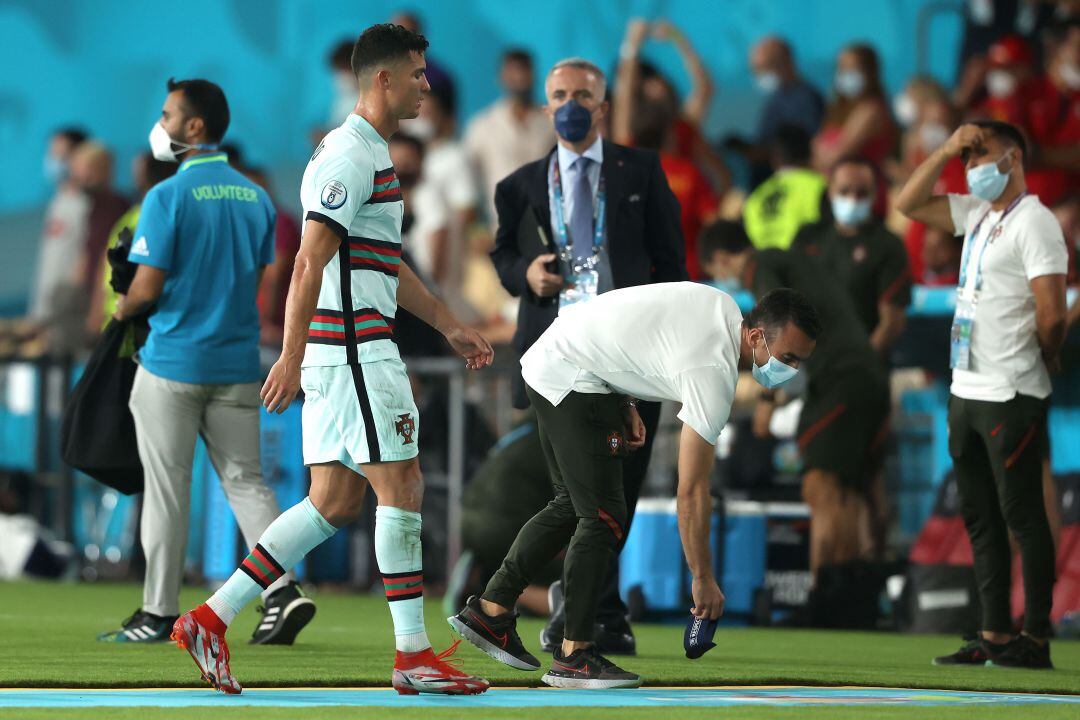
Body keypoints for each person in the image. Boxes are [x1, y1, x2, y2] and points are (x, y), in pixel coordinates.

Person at [172, 24, 493, 696]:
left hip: (344, 350)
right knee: (401, 490)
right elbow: (309, 259)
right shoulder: (351, 154)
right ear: (382, 79)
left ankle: (210, 616)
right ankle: (412, 656)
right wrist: (290, 356)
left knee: (333, 502)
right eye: (416, 74)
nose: (426, 85)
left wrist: (448, 323)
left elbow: (382, 262)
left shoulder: (364, 151)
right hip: (352, 352)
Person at [450, 283, 820, 688]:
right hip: (574, 375)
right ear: (755, 336)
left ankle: (492, 608)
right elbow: (692, 491)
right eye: (787, 358)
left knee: (572, 505)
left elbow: (631, 329)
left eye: (799, 362)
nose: (790, 370)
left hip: (558, 359)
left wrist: (623, 401)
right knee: (603, 517)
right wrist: (702, 577)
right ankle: (574, 653)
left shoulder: (723, 307)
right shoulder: (713, 372)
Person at [98, 78, 307, 648]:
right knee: (248, 483)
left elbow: (145, 288)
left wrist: (123, 306)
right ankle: (281, 590)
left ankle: (157, 612)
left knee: (168, 487)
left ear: (194, 127)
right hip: (238, 361)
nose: (161, 125)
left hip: (172, 361)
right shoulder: (257, 198)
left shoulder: (166, 197)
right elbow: (262, 275)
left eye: (168, 115)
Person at [488, 57, 685, 655]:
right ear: (546, 106)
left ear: (604, 106)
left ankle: (592, 609)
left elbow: (671, 264)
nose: (571, 104)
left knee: (615, 492)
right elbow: (500, 259)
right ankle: (582, 617)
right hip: (559, 361)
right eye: (560, 94)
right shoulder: (519, 185)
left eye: (583, 94)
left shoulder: (641, 172)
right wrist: (525, 273)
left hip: (631, 358)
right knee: (580, 499)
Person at [896, 119, 1068, 669]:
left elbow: (1053, 309)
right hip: (965, 386)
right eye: (966, 159)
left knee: (1022, 515)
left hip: (1009, 389)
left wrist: (1046, 353)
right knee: (980, 517)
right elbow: (908, 200)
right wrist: (944, 147)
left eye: (980, 155)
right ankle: (994, 635)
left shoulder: (1035, 223)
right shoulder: (977, 214)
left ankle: (1036, 638)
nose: (971, 168)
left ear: (1013, 157)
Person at [699, 220, 890, 581]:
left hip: (841, 379)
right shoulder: (795, 260)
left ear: (722, 258)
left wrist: (767, 398)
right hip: (864, 376)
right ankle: (848, 593)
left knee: (820, 487)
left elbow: (778, 326)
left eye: (717, 272)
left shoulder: (761, 267)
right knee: (846, 491)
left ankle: (824, 593)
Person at [792, 156, 911, 359]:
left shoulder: (888, 246)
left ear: (875, 194)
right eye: (844, 191)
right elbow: (789, 303)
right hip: (809, 365)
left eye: (862, 193)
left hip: (864, 369)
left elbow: (892, 322)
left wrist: (859, 365)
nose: (853, 199)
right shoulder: (807, 238)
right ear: (830, 191)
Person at [613, 19, 730, 193]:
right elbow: (623, 97)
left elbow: (704, 87)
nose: (658, 89)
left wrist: (679, 40)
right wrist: (632, 44)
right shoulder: (631, 140)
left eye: (662, 85)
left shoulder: (683, 129)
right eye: (650, 91)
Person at [464, 49, 555, 225]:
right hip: (498, 226)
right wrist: (476, 228)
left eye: (524, 71)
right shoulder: (482, 126)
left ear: (534, 75)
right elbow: (469, 180)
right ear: (501, 77)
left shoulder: (552, 123)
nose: (519, 77)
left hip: (546, 223)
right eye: (513, 71)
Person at [630, 100, 718, 279]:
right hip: (687, 275)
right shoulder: (688, 172)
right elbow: (712, 222)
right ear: (669, 134)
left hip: (637, 280)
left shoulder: (622, 173)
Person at [403, 84, 477, 297]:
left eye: (428, 113)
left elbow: (466, 211)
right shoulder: (401, 158)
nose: (421, 119)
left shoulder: (453, 157)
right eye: (417, 113)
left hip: (446, 256)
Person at [730, 35, 825, 187]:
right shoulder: (776, 98)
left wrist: (765, 153)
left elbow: (805, 146)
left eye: (764, 67)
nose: (759, 75)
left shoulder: (806, 99)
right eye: (755, 69)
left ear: (785, 62)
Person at [97, 153, 177, 328]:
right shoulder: (133, 216)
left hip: (136, 322)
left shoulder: (158, 216)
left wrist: (126, 309)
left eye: (139, 170)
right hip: (119, 318)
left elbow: (147, 284)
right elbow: (107, 264)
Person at [28, 127, 90, 327]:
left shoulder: (87, 204)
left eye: (60, 154)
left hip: (70, 310)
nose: (53, 160)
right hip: (47, 307)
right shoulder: (59, 198)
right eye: (52, 153)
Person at [69, 141, 131, 335]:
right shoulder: (92, 206)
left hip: (105, 310)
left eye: (84, 169)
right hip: (87, 304)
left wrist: (95, 315)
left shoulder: (113, 208)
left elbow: (107, 262)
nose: (78, 176)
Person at [812, 44, 897, 179]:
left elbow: (839, 155)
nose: (845, 74)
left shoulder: (871, 110)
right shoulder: (838, 109)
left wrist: (821, 155)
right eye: (841, 68)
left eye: (852, 69)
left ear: (869, 72)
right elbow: (814, 151)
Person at [742, 124, 827, 251]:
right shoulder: (819, 185)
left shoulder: (754, 198)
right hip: (806, 264)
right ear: (809, 152)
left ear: (774, 158)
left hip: (765, 267)